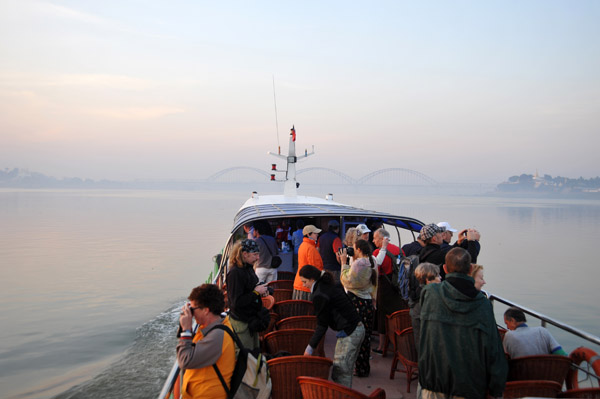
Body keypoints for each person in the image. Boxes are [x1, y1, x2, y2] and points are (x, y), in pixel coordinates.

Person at [418, 247, 507, 399]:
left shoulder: (430, 293)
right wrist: (496, 389)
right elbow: (494, 349)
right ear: (470, 268)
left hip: (433, 380)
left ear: (445, 268)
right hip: (469, 386)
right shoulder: (483, 305)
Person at [300, 265, 365, 388]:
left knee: (340, 374)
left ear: (312, 279)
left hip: (349, 331)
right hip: (357, 328)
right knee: (346, 371)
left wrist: (309, 348)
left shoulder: (319, 294)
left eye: (305, 282)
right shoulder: (329, 284)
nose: (304, 285)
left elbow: (322, 325)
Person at [177, 284, 236, 399]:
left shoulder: (217, 335)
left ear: (206, 310)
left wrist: (186, 330)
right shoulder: (216, 326)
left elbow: (185, 360)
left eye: (193, 309)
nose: (192, 314)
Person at [340, 239, 378, 378]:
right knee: (365, 337)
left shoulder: (359, 264)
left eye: (354, 248)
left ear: (359, 249)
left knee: (355, 336)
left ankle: (355, 368)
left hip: (357, 302)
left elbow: (348, 281)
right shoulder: (371, 261)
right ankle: (363, 367)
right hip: (367, 302)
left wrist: (344, 263)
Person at [226, 239, 269, 350]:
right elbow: (236, 302)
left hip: (251, 321)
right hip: (242, 324)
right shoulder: (235, 273)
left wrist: (262, 290)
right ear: (244, 254)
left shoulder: (248, 268)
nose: (258, 258)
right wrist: (256, 292)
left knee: (254, 353)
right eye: (255, 254)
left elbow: (250, 289)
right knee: (246, 356)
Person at [372, 227, 407, 354]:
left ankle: (382, 346)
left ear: (382, 239)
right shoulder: (399, 250)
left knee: (382, 314)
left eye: (375, 238)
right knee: (396, 314)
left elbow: (374, 269)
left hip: (384, 285)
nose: (373, 240)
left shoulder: (377, 252)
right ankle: (399, 344)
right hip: (397, 286)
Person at [503, 307, 568, 358]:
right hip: (546, 372)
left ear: (512, 320)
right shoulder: (542, 331)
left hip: (520, 373)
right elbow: (561, 354)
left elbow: (504, 358)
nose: (507, 327)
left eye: (507, 323)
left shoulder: (509, 335)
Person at [408, 262, 441, 350]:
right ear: (428, 280)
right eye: (437, 276)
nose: (440, 278)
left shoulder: (418, 293)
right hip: (427, 350)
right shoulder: (427, 297)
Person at [292, 224, 324, 300]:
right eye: (315, 233)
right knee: (308, 309)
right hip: (307, 284)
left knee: (299, 309)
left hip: (300, 282)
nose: (317, 234)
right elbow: (315, 268)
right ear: (308, 234)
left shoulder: (303, 245)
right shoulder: (311, 248)